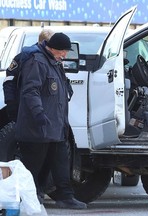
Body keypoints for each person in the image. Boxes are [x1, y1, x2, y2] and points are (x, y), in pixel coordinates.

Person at [14, 32, 86, 209]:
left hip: (56, 125)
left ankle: (65, 196)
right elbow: (31, 91)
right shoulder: (37, 62)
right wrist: (38, 114)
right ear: (53, 48)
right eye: (63, 51)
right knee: (34, 166)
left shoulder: (54, 62)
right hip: (38, 126)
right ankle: (30, 197)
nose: (65, 55)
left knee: (61, 163)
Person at [3, 29, 55, 122]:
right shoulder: (23, 57)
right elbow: (9, 81)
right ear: (43, 43)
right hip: (25, 107)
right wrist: (11, 103)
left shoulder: (54, 59)